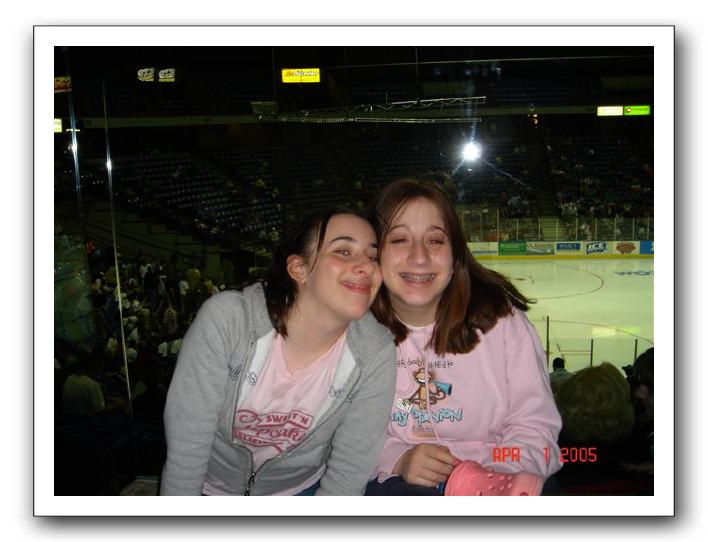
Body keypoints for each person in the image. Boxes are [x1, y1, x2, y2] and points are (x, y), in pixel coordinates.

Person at [160, 207, 396, 496]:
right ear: (298, 268)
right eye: (343, 251)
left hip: (300, 491)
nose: (367, 267)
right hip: (209, 488)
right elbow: (187, 446)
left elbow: (349, 472)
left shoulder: (375, 351)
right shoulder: (229, 321)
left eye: (373, 257)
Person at [364, 177, 562, 496]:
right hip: (398, 482)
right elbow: (342, 435)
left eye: (435, 240)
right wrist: (397, 457)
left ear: (456, 254)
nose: (419, 257)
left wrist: (496, 478)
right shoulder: (355, 333)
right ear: (375, 254)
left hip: (502, 474)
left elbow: (534, 425)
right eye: (399, 240)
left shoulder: (502, 323)